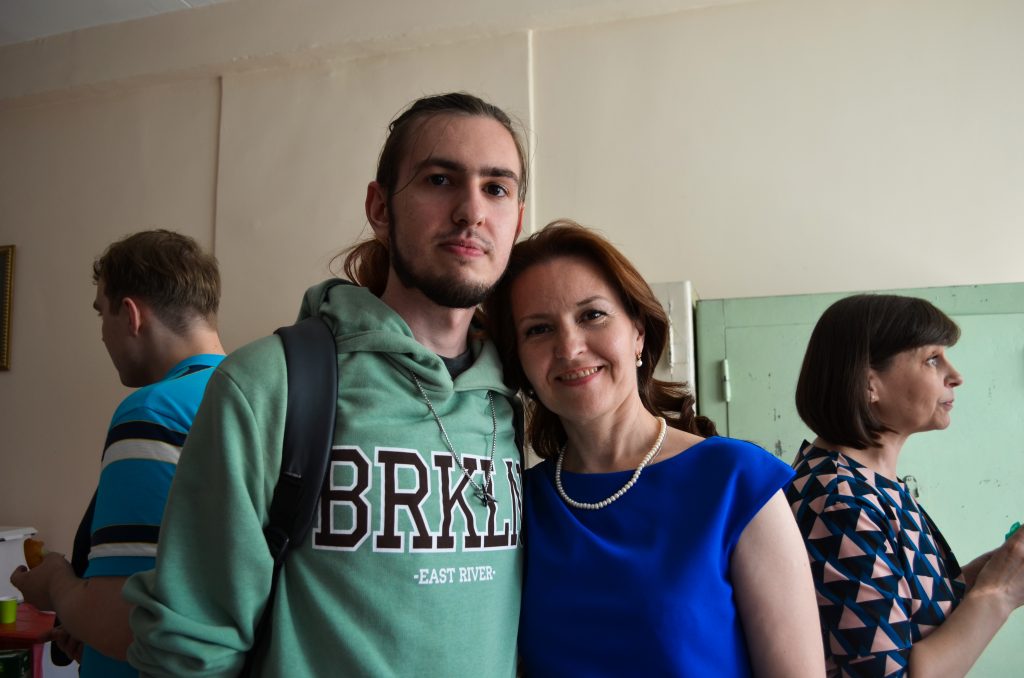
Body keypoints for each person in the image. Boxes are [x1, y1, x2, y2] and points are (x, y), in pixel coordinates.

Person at [123, 92, 528, 676]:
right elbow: (191, 649)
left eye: (496, 188)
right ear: (380, 207)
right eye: (440, 180)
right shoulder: (267, 385)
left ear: (517, 219)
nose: (471, 211)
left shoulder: (516, 400)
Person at [484, 220, 825, 676]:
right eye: (539, 329)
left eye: (592, 315)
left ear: (638, 332)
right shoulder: (518, 501)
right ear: (520, 362)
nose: (569, 347)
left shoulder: (736, 481)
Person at [10, 229, 226, 678]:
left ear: (130, 315)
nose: (102, 335)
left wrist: (56, 583)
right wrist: (89, 632)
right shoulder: (262, 399)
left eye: (100, 312)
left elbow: (124, 624)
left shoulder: (155, 411)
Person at [787, 294, 1024, 677]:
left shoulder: (866, 482)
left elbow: (907, 614)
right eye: (932, 359)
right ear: (869, 384)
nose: (955, 375)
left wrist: (990, 573)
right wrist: (999, 594)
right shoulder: (840, 501)